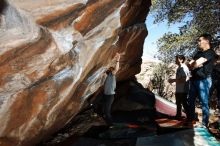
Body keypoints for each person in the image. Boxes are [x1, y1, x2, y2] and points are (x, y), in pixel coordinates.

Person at [188, 33, 216, 127]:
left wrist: (195, 64)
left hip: (203, 80)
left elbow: (195, 64)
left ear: (207, 41)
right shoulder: (198, 53)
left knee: (204, 102)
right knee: (190, 101)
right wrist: (194, 64)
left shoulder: (210, 52)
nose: (198, 42)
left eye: (200, 40)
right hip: (194, 80)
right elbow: (191, 65)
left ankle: (204, 124)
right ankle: (191, 120)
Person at [168, 55, 190, 120]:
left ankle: (189, 117)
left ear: (181, 60)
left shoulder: (184, 67)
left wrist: (173, 80)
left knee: (184, 102)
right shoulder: (179, 68)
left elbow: (183, 79)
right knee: (179, 103)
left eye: (177, 59)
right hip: (179, 88)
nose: (175, 60)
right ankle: (178, 116)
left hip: (183, 88)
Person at [103, 53, 120, 123]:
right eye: (110, 69)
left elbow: (116, 69)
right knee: (104, 109)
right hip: (105, 95)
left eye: (111, 69)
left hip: (110, 96)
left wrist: (117, 60)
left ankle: (111, 123)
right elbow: (103, 73)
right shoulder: (106, 76)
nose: (110, 69)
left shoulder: (112, 75)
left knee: (107, 111)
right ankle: (106, 120)